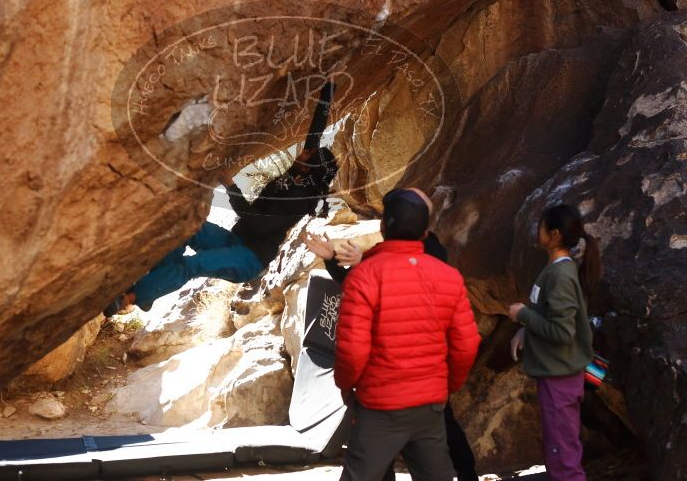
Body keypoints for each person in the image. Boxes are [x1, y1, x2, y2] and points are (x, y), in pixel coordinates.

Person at [105, 82, 337, 317]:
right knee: (185, 228)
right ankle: (153, 286)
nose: (303, 152)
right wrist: (328, 90)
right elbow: (315, 133)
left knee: (192, 265)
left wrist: (231, 188)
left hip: (250, 259)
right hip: (234, 240)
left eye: (308, 155)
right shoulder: (296, 174)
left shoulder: (298, 199)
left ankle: (131, 297)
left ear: (310, 168)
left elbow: (258, 225)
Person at [304, 188, 479, 481]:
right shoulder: (448, 276)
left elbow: (352, 349)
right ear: (425, 230)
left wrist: (346, 385)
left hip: (379, 404)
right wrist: (445, 387)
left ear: (383, 226)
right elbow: (467, 344)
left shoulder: (366, 273)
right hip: (429, 402)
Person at [508, 203, 601, 481]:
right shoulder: (557, 270)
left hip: (560, 375)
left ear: (555, 234)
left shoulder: (560, 275)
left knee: (564, 455)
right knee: (558, 448)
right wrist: (526, 330)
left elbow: (562, 331)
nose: (537, 230)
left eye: (541, 225)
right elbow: (550, 315)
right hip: (556, 372)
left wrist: (523, 315)